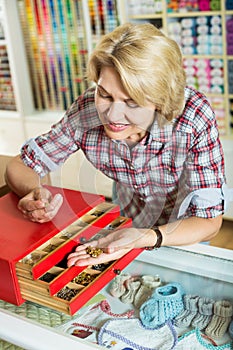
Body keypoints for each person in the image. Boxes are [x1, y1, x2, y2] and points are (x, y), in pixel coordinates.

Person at [6, 22, 226, 267]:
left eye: (131, 102)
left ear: (160, 101)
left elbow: (209, 223)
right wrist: (32, 193)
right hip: (128, 218)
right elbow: (20, 165)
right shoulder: (86, 110)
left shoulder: (193, 117)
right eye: (105, 95)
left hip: (185, 230)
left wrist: (147, 237)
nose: (112, 115)